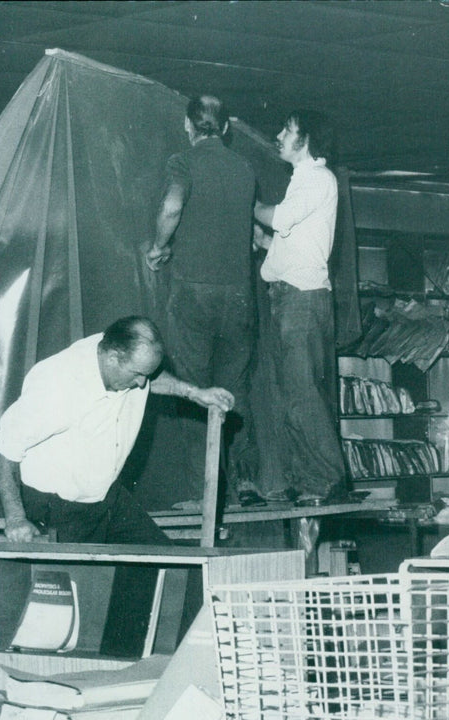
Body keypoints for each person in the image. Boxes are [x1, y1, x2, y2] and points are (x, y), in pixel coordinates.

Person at [0, 316, 234, 543]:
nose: (142, 384)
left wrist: (194, 393)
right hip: (57, 509)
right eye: (138, 375)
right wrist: (16, 519)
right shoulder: (57, 385)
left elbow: (150, 376)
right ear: (113, 358)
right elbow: (3, 450)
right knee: (84, 586)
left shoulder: (121, 358)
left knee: (166, 567)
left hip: (107, 497)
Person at [146, 94, 265, 508]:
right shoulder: (245, 168)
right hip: (239, 296)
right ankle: (246, 482)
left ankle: (208, 495)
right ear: (226, 128)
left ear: (188, 125)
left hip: (194, 291)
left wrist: (159, 246)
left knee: (196, 388)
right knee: (237, 387)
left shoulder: (183, 162)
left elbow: (172, 205)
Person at [253, 109, 348, 505]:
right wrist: (263, 243)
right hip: (290, 298)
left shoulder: (317, 179)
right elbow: (292, 242)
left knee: (301, 394)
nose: (279, 135)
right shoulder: (303, 182)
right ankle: (309, 479)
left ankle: (327, 479)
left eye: (287, 130)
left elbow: (282, 218)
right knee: (290, 394)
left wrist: (250, 205)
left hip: (301, 301)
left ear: (304, 139)